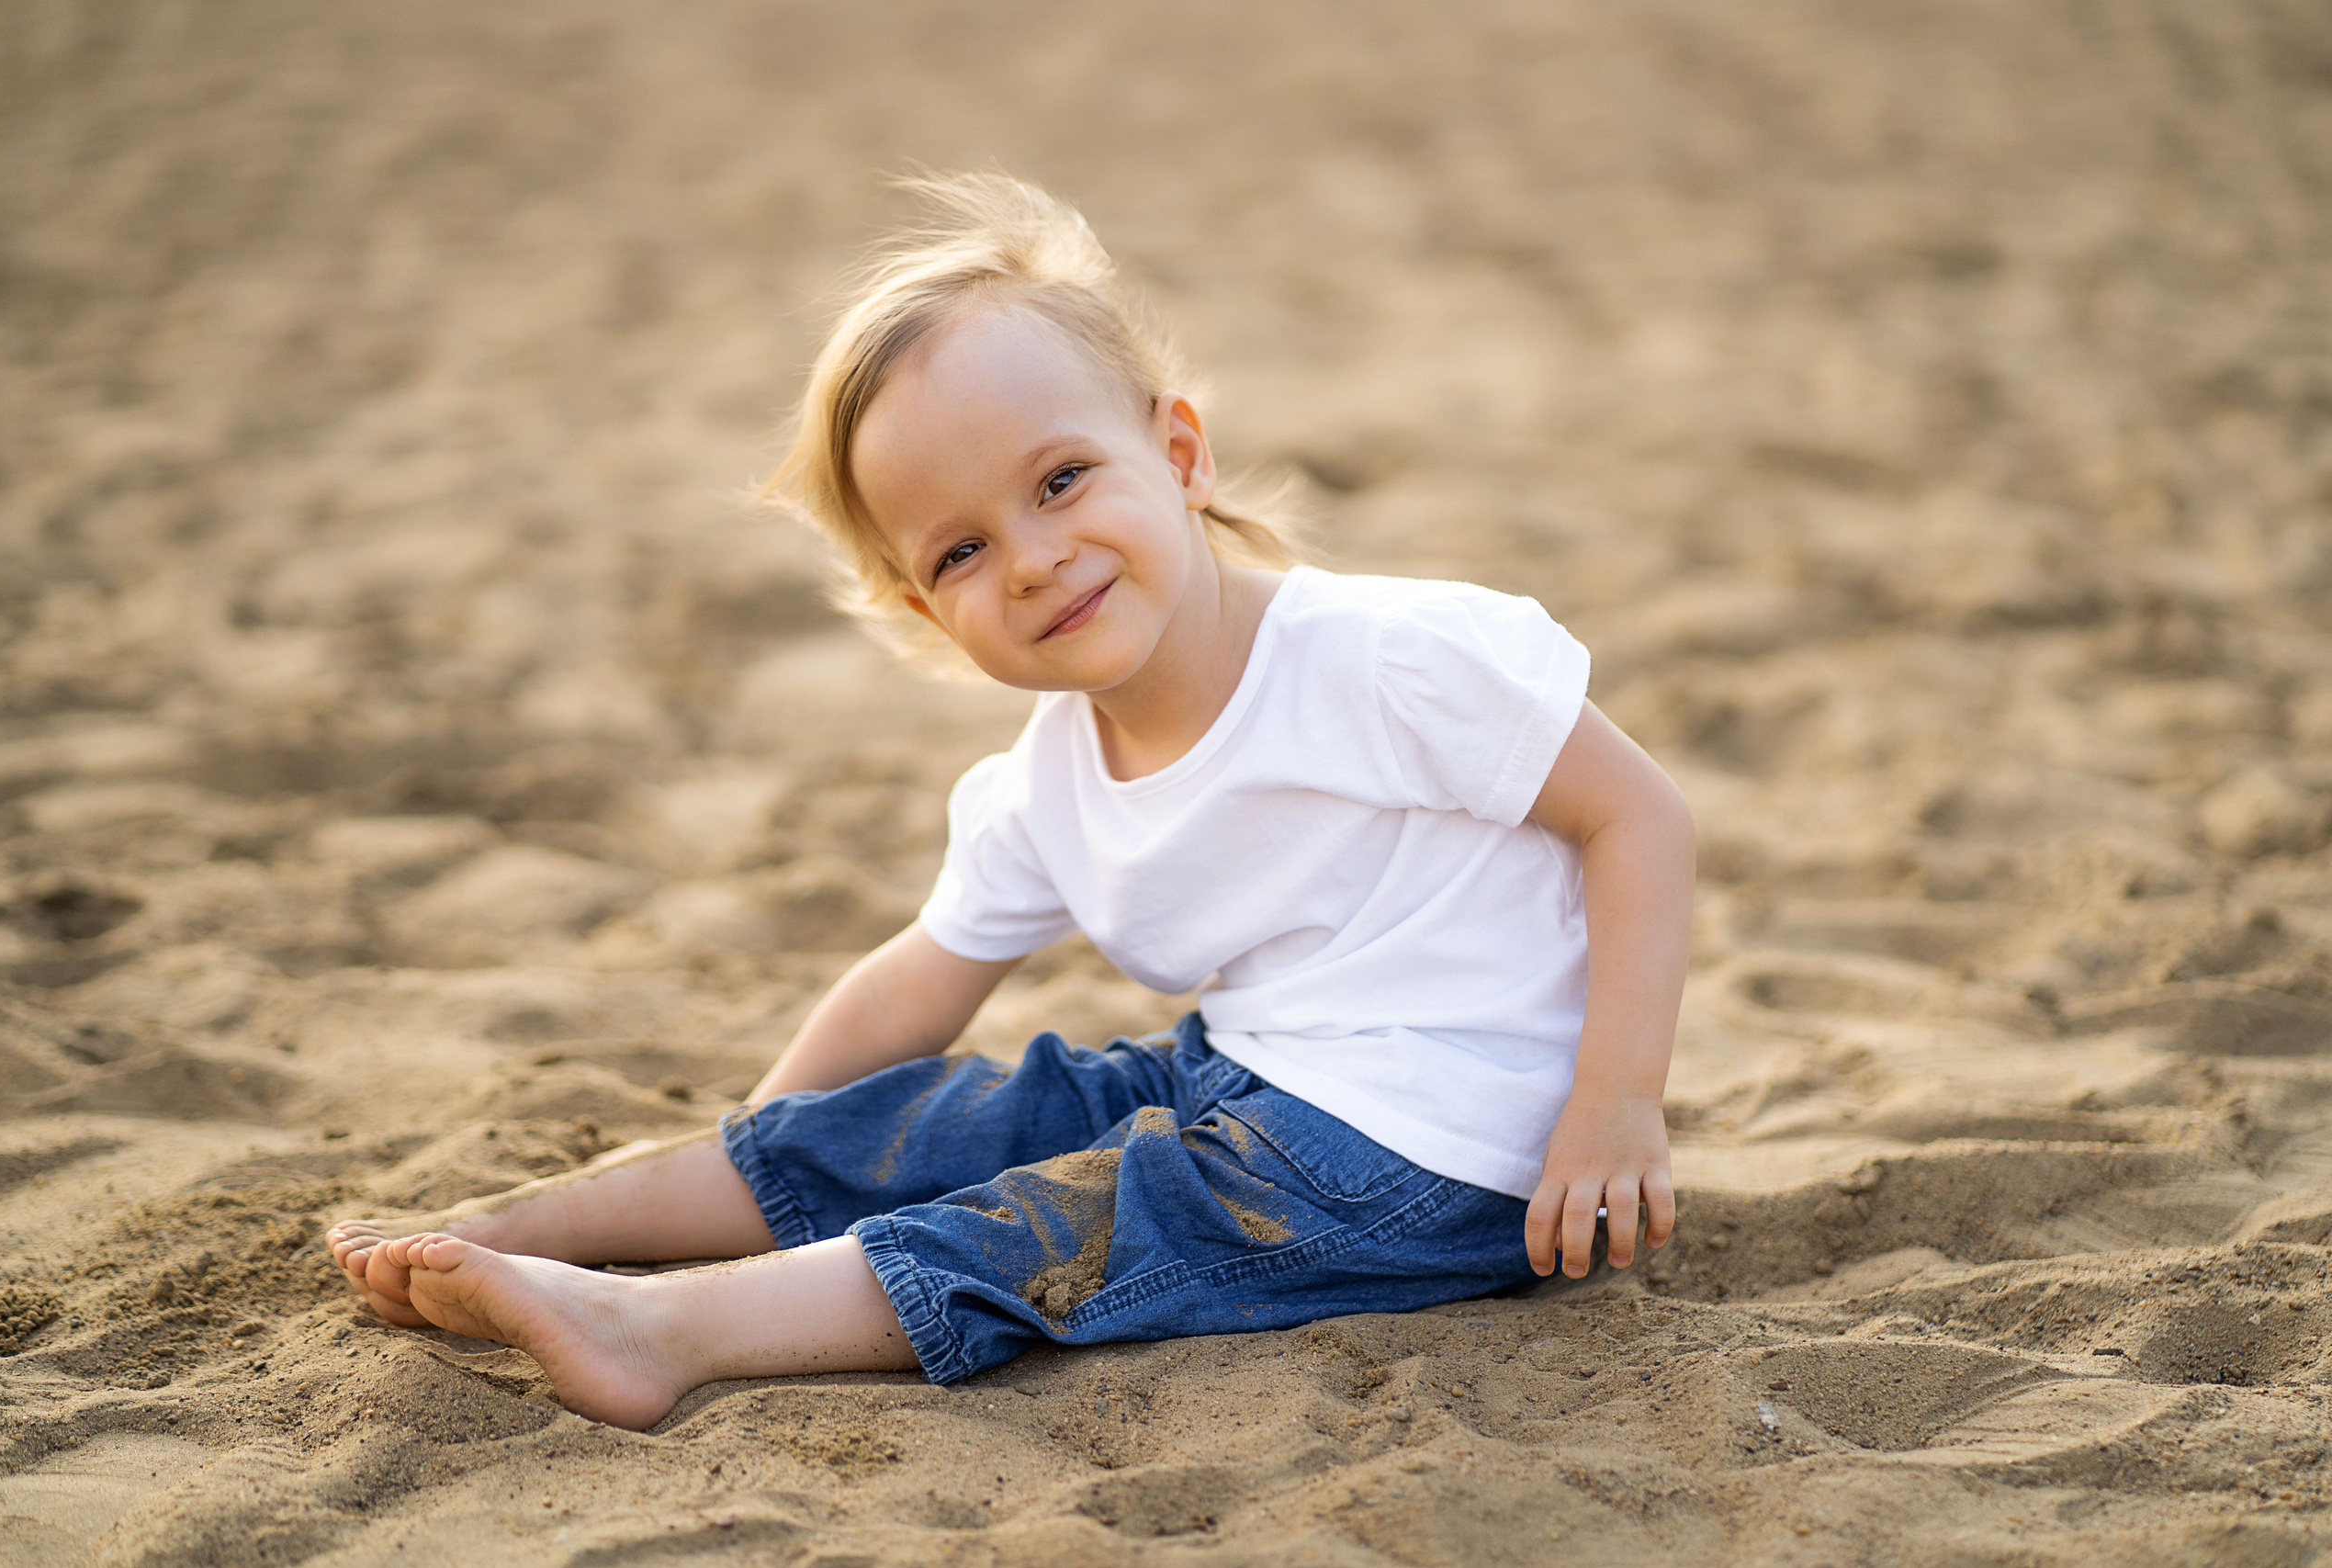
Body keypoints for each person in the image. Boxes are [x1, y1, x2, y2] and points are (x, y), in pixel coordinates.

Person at [324, 173, 1695, 1431]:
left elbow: (1637, 818)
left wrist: (1615, 1103)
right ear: (928, 608)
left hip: (1462, 1148)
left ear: (1180, 455)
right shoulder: (1049, 779)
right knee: (986, 1114)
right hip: (1254, 1074)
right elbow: (908, 991)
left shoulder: (1381, 659)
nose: (1035, 560)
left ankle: (659, 1325)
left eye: (1060, 480)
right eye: (967, 547)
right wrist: (784, 1141)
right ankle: (536, 1230)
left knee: (1079, 1220)